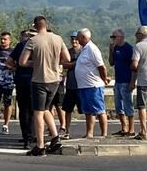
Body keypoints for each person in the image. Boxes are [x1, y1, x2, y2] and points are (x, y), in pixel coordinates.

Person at [19, 16, 70, 156]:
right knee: (46, 108)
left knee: (38, 113)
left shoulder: (33, 41)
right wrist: (53, 62)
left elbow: (22, 62)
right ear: (46, 25)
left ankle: (40, 145)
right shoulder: (58, 39)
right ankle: (55, 137)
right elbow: (67, 59)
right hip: (55, 80)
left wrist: (36, 62)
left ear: (35, 26)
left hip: (40, 80)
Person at [73, 29, 109, 138]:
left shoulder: (92, 49)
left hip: (93, 85)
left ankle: (104, 133)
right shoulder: (84, 49)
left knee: (99, 110)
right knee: (88, 111)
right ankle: (89, 133)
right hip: (84, 85)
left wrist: (104, 79)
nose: (77, 40)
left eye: (78, 37)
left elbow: (101, 66)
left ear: (84, 37)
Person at [109, 28, 135, 136]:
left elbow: (134, 66)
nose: (113, 39)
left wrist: (132, 81)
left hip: (126, 80)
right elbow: (111, 63)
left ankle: (131, 128)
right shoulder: (115, 49)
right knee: (119, 105)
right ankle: (123, 127)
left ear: (121, 37)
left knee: (128, 105)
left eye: (114, 37)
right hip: (118, 80)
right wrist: (111, 50)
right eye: (112, 37)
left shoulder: (128, 48)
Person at [58, 31, 82, 140]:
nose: (74, 41)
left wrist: (71, 65)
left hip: (81, 85)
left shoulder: (83, 51)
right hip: (70, 85)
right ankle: (67, 131)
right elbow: (64, 64)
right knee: (67, 110)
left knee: (86, 110)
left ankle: (88, 132)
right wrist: (75, 64)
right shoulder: (68, 52)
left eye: (76, 39)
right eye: (72, 39)